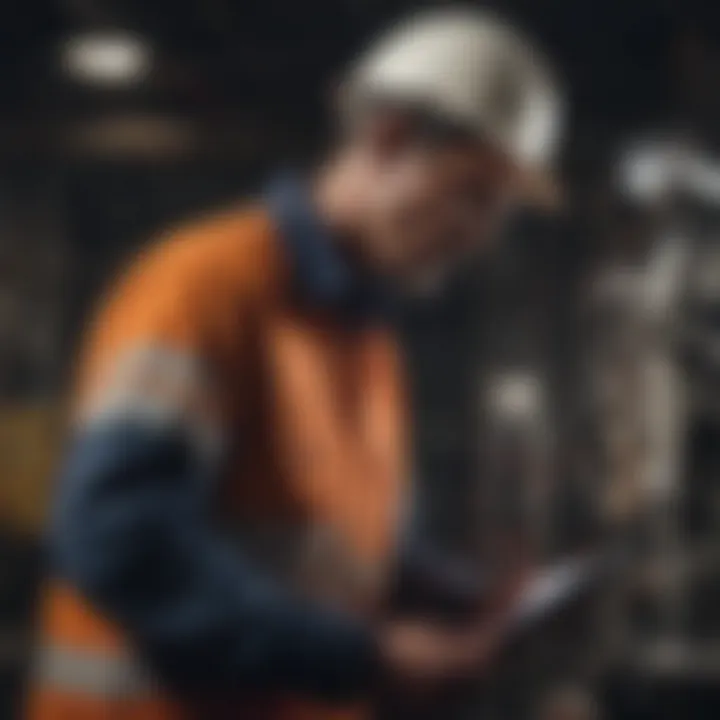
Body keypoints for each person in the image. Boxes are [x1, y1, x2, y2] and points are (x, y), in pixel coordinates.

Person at [26, 7, 563, 720]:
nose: (476, 237)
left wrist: (459, 596)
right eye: (471, 196)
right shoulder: (204, 288)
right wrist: (363, 659)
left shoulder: (368, 340)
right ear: (388, 137)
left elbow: (349, 551)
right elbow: (118, 535)